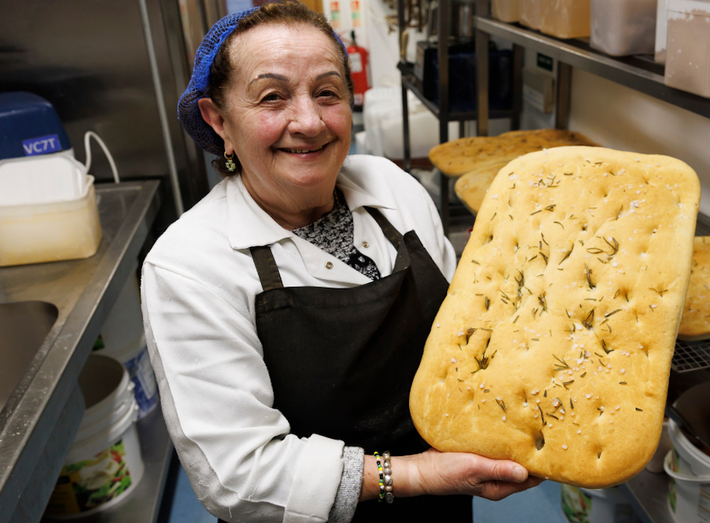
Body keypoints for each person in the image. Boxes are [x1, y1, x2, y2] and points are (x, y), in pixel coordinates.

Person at [140, 2, 542, 522]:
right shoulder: (190, 264)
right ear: (218, 120)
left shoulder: (393, 186)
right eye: (272, 97)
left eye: (327, 92)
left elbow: (463, 339)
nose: (308, 122)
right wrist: (419, 474)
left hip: (442, 502)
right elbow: (238, 478)